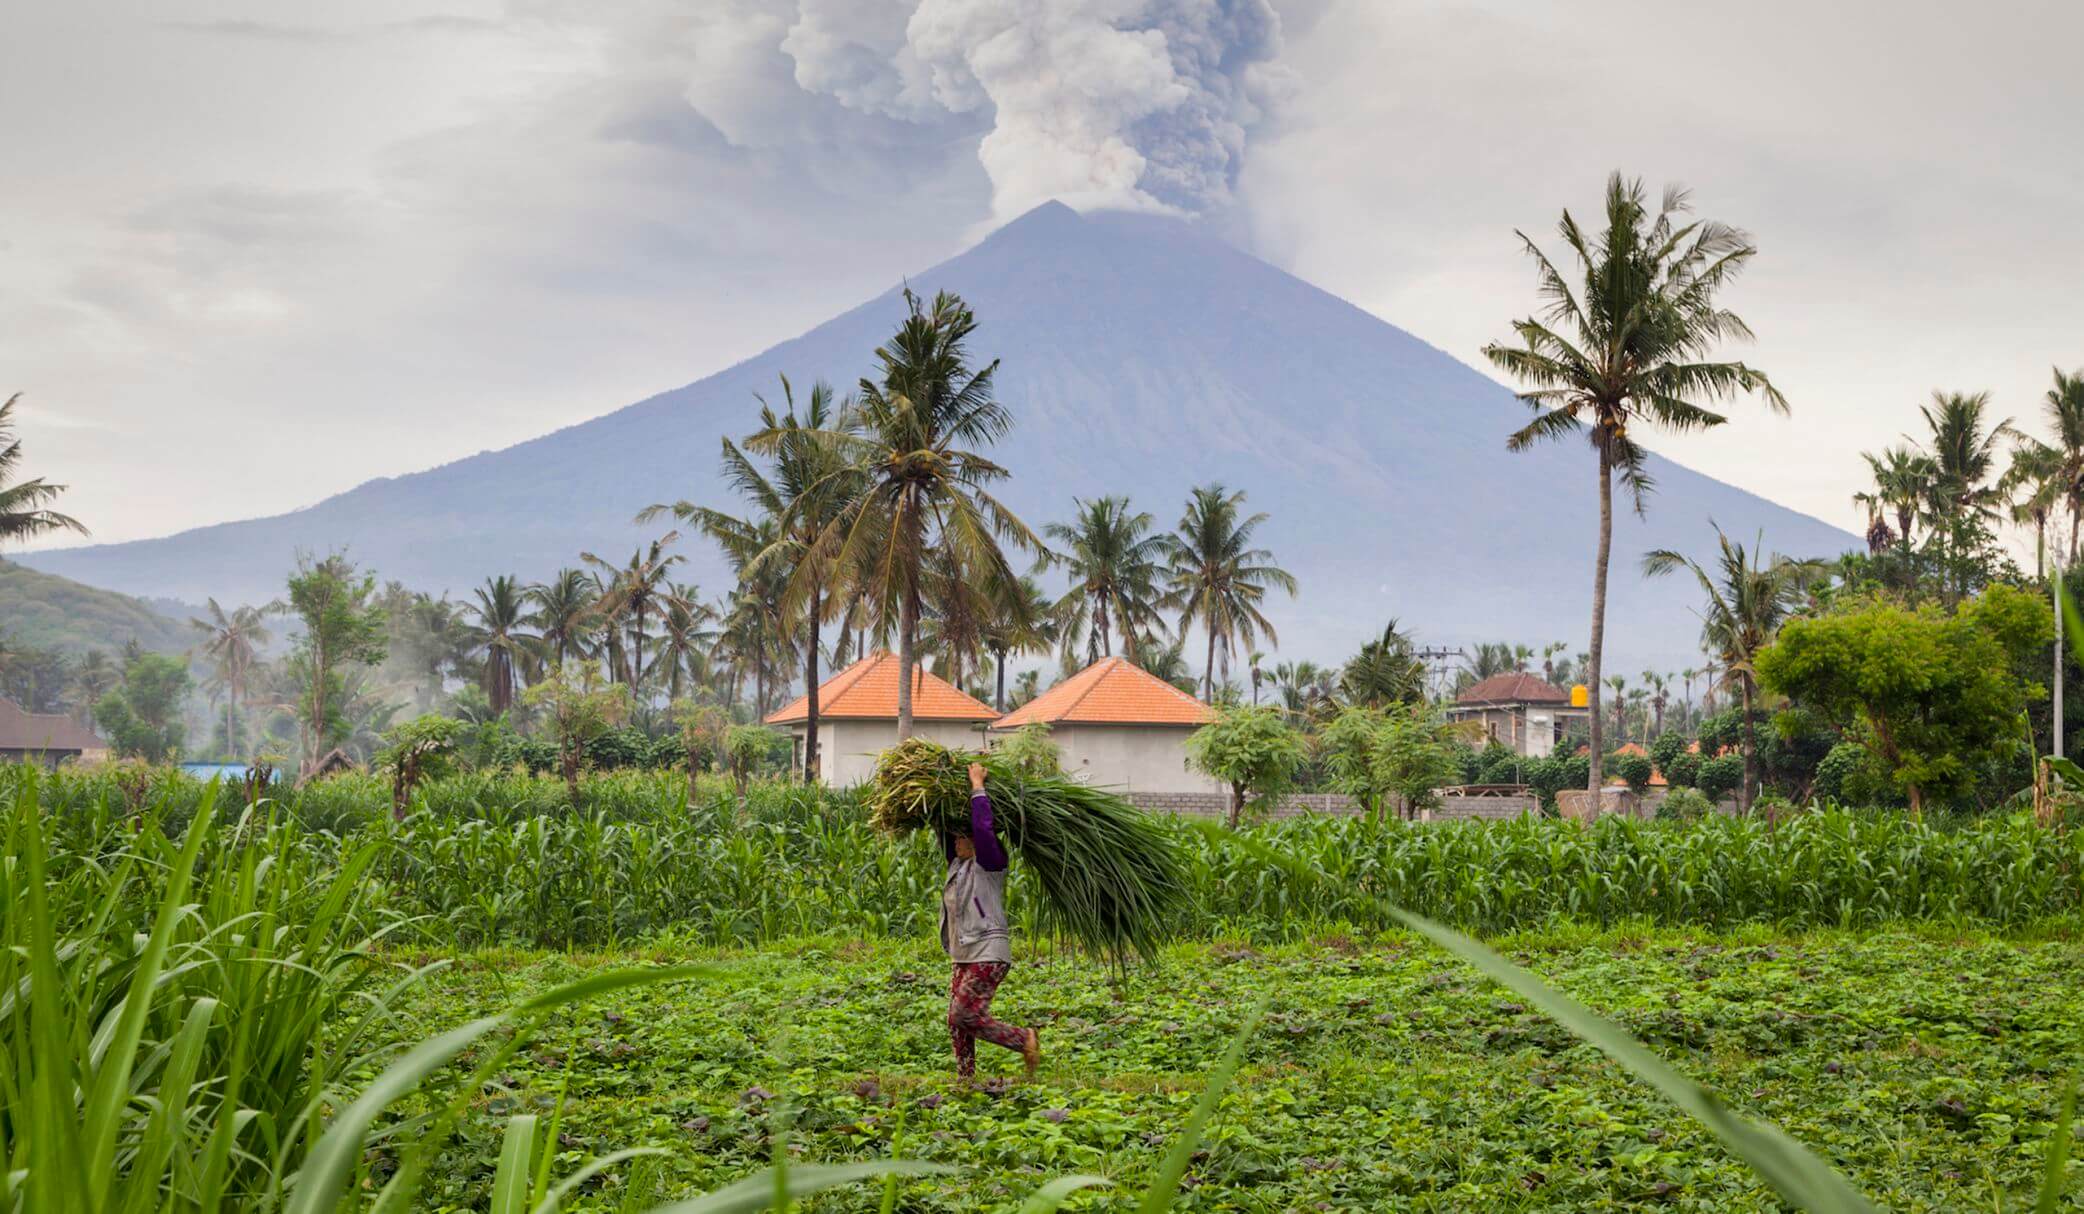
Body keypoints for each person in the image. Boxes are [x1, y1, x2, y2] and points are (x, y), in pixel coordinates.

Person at [942, 761, 1039, 1082]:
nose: (956, 841)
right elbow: (942, 827)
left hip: (988, 951)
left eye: (961, 836)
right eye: (954, 837)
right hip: (964, 952)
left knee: (965, 1013)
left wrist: (977, 786)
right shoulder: (957, 865)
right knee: (955, 1021)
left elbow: (983, 828)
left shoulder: (990, 861)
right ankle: (965, 1079)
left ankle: (1022, 1039)